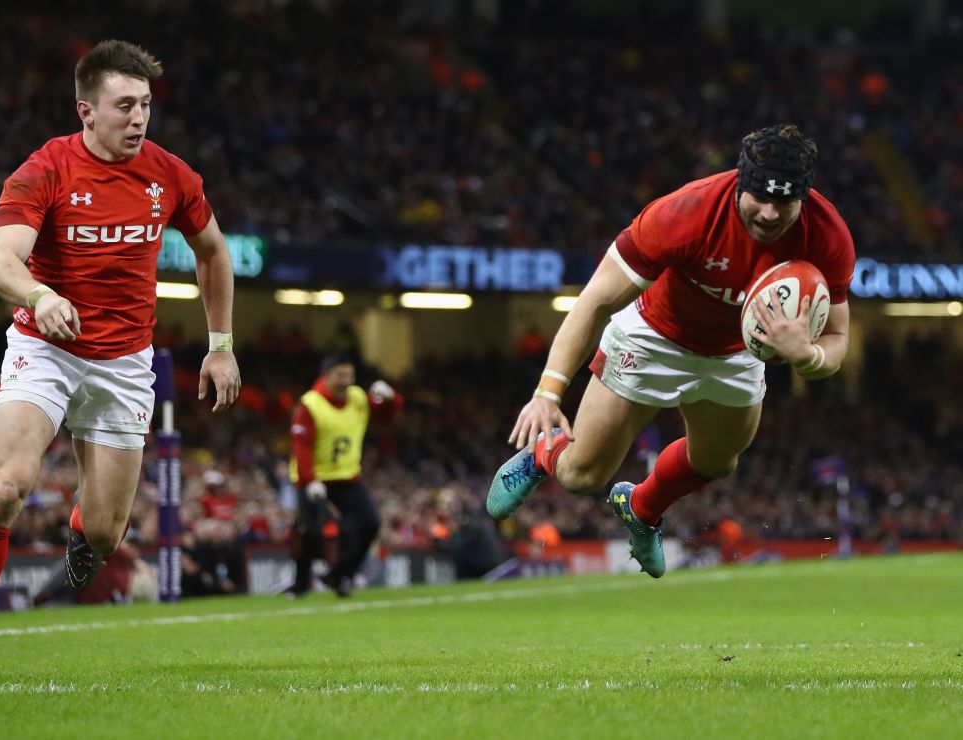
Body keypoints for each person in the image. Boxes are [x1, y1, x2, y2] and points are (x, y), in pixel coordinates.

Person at [0, 40, 241, 685]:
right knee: (8, 486)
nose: (138, 118)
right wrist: (39, 297)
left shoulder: (169, 175)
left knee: (104, 534)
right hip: (46, 348)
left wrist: (221, 344)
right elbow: (1, 261)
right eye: (124, 105)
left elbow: (212, 252)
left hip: (125, 362)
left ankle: (81, 529)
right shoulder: (43, 171)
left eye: (146, 105)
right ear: (85, 111)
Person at [487, 124, 855, 578]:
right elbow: (596, 299)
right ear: (741, 182)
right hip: (654, 335)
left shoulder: (828, 237)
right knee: (582, 477)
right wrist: (548, 392)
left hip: (736, 351)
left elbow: (838, 339)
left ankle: (641, 507)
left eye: (785, 202)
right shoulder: (687, 212)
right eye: (759, 196)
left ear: (805, 196)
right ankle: (544, 454)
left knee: (717, 461)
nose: (769, 212)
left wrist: (806, 357)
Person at [288, 355, 401, 597]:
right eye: (340, 376)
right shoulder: (310, 404)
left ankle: (340, 575)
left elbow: (386, 417)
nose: (346, 381)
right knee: (310, 530)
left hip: (347, 477)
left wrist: (392, 399)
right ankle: (300, 584)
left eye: (349, 376)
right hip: (315, 479)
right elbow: (302, 446)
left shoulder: (358, 397)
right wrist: (309, 481)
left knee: (370, 523)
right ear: (326, 376)